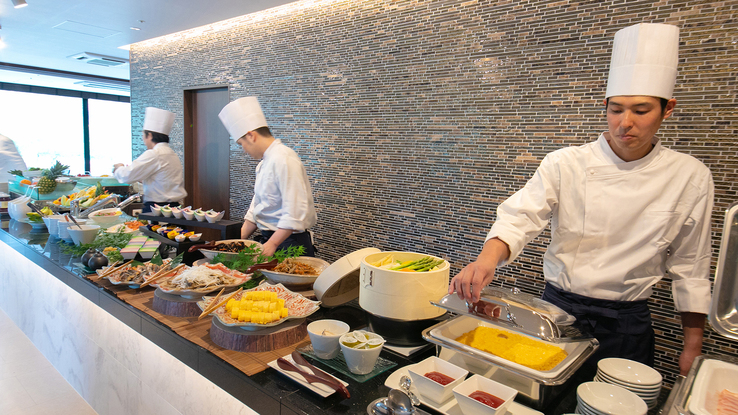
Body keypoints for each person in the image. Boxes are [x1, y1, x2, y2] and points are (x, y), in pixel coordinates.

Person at [449, 23, 713, 377]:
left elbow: (692, 267)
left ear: (667, 110)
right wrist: (485, 261)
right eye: (616, 109)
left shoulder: (691, 176)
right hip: (559, 310)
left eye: (641, 110)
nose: (625, 123)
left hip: (628, 322)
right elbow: (520, 216)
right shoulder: (567, 162)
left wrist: (692, 347)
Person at [218, 97, 317, 257]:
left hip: (289, 243)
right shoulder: (263, 164)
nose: (244, 150)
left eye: (241, 143)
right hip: (271, 240)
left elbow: (295, 211)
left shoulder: (284, 158)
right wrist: (235, 243)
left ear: (251, 135)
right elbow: (256, 209)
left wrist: (272, 243)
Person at [113, 107, 187, 213]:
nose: (143, 139)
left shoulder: (154, 154)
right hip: (174, 208)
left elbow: (127, 175)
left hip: (158, 209)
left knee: (159, 230)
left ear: (150, 135)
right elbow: (163, 179)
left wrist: (119, 168)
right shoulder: (171, 154)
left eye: (144, 136)